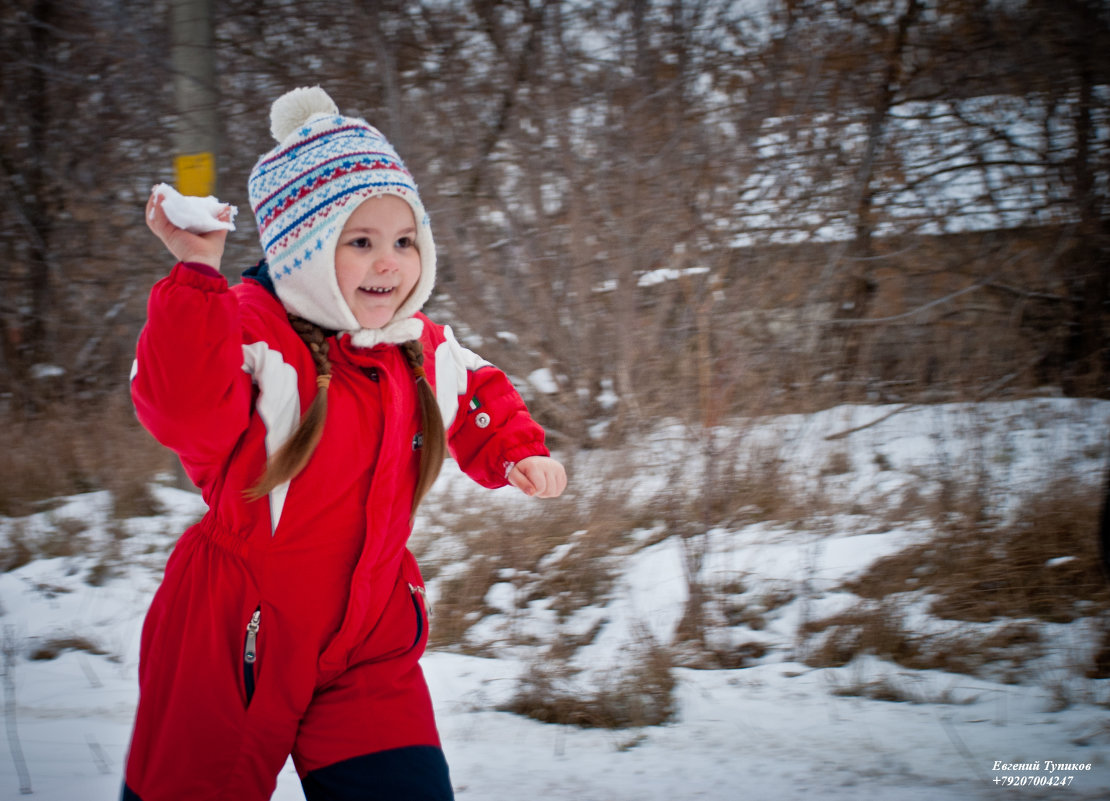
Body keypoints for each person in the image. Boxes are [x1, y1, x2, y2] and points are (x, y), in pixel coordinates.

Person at [123, 86, 566, 801]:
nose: (388, 263)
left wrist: (515, 447)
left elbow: (478, 385)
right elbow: (181, 403)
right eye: (359, 242)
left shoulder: (415, 346)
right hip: (237, 634)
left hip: (369, 639)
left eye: (403, 241)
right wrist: (196, 273)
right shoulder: (250, 333)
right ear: (301, 247)